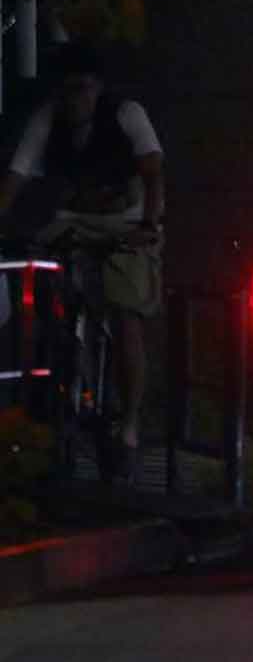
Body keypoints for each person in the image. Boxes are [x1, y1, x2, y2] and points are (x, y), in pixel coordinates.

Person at [0, 42, 164, 465]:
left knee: (126, 313)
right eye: (68, 91)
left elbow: (152, 169)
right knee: (49, 285)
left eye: (83, 90)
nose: (75, 101)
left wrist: (149, 224)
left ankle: (128, 424)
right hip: (74, 217)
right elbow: (18, 174)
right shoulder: (48, 119)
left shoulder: (126, 114)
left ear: (98, 88)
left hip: (126, 220)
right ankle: (61, 372)